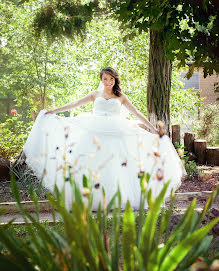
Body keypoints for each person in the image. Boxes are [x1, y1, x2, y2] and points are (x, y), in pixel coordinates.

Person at [23, 67, 185, 210]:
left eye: (111, 79)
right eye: (105, 79)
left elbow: (137, 114)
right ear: (101, 80)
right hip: (94, 132)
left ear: (115, 80)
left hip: (116, 133)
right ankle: (88, 199)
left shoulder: (121, 96)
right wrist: (54, 111)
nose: (108, 82)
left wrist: (154, 129)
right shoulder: (95, 95)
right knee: (90, 164)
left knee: (117, 166)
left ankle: (119, 199)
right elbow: (75, 104)